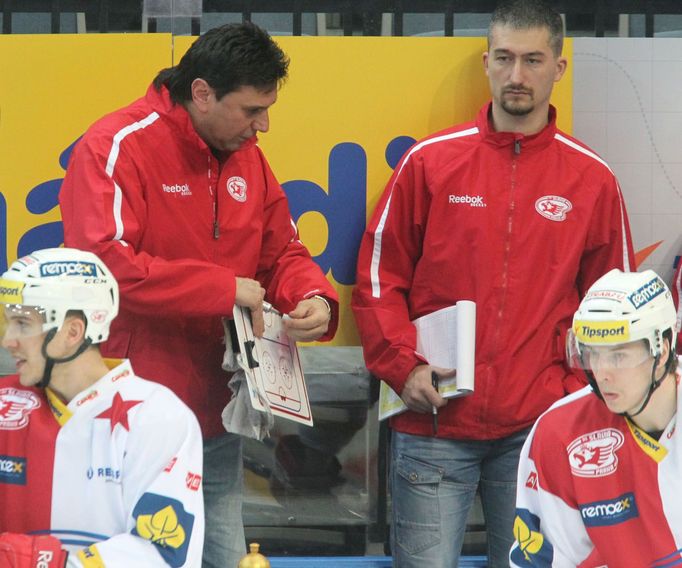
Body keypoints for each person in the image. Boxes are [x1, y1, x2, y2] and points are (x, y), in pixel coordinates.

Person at [351, 0, 635, 565]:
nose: (516, 75)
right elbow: (380, 278)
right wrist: (402, 366)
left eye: (533, 60)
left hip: (540, 431)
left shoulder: (592, 180)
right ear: (486, 61)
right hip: (433, 424)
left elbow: (615, 308)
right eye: (504, 58)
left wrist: (578, 397)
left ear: (559, 67)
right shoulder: (430, 163)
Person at [58, 22, 338, 568]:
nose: (264, 125)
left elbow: (281, 251)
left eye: (267, 109)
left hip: (217, 414)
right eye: (252, 110)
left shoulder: (248, 157)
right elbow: (102, 265)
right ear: (203, 93)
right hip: (128, 420)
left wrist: (314, 297)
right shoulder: (115, 145)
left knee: (226, 558)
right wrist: (223, 288)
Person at [0, 247, 203, 567]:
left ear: (72, 331)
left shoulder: (158, 416)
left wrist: (40, 562)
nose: (8, 340)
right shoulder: (5, 405)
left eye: (23, 324)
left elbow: (163, 553)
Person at [511, 269, 680, 566]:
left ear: (662, 350)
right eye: (593, 354)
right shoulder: (560, 433)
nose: (602, 372)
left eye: (619, 356)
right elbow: (544, 559)